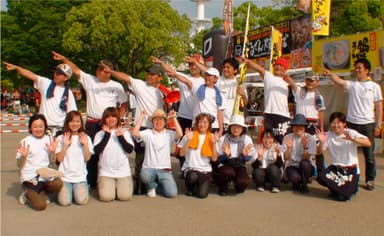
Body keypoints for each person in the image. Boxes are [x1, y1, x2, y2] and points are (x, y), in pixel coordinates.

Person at [52, 51, 128, 188]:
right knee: (90, 153)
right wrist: (64, 58)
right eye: (98, 68)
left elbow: (124, 103)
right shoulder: (90, 80)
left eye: (102, 69)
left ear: (109, 72)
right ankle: (90, 181)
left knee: (109, 150)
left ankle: (109, 179)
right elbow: (75, 70)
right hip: (92, 122)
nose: (98, 71)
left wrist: (118, 117)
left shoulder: (117, 86)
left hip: (109, 123)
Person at [103, 63, 165, 194]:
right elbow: (126, 77)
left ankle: (152, 183)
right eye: (148, 73)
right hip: (142, 127)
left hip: (156, 127)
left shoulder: (161, 92)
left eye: (152, 74)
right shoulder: (140, 85)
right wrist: (111, 71)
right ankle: (139, 184)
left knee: (154, 157)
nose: (149, 76)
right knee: (141, 157)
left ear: (160, 77)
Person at [323, 58, 383, 190]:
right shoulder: (352, 85)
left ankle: (370, 179)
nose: (357, 70)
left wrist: (378, 125)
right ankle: (349, 174)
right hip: (351, 123)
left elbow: (379, 107)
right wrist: (330, 74)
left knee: (369, 154)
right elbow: (340, 82)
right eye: (355, 68)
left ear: (367, 70)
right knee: (347, 150)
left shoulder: (374, 87)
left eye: (359, 68)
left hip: (367, 123)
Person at [3, 61, 77, 132]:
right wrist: (17, 68)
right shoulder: (46, 83)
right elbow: (31, 75)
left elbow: (72, 114)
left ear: (66, 78)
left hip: (60, 129)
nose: (55, 74)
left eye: (59, 73)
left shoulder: (68, 93)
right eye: (55, 71)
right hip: (43, 129)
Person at [316, 112, 371, 201]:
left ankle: (346, 188)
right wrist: (321, 142)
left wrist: (352, 139)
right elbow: (319, 152)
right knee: (321, 177)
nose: (336, 125)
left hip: (350, 169)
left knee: (343, 197)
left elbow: (368, 143)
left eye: (339, 123)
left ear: (344, 124)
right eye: (333, 123)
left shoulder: (350, 133)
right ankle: (339, 189)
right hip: (336, 169)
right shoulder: (328, 135)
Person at [16, 114, 63, 211]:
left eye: (41, 126)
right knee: (41, 206)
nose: (38, 129)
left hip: (44, 175)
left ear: (45, 127)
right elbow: (19, 165)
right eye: (35, 126)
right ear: (30, 127)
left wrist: (52, 152)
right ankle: (27, 192)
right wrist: (24, 156)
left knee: (58, 183)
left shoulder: (49, 139)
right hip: (30, 177)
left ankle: (40, 191)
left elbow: (52, 162)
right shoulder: (25, 141)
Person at [131, 109, 182, 198]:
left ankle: (158, 185)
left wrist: (174, 118)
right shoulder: (148, 133)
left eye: (161, 119)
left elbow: (180, 134)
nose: (158, 122)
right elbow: (135, 133)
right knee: (144, 176)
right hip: (149, 168)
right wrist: (141, 117)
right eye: (156, 120)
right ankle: (151, 186)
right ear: (152, 121)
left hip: (165, 169)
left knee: (172, 194)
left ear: (165, 122)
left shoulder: (169, 134)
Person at [240, 57, 291, 143]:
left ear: (285, 69)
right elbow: (259, 69)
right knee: (268, 140)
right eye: (277, 65)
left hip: (283, 116)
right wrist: (248, 61)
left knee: (283, 140)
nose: (278, 67)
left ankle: (282, 156)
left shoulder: (287, 83)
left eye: (281, 65)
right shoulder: (269, 76)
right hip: (269, 114)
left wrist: (287, 78)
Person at [286, 72, 326, 173]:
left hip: (313, 124)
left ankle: (320, 171)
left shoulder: (319, 96)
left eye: (312, 81)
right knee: (296, 145)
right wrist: (286, 74)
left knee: (316, 147)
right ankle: (296, 169)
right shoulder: (299, 91)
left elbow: (321, 112)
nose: (309, 82)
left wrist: (321, 128)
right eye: (308, 80)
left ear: (317, 82)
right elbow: (292, 83)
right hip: (299, 123)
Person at [93, 107, 135, 201]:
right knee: (106, 197)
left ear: (118, 118)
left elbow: (129, 150)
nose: (111, 119)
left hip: (122, 171)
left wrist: (121, 137)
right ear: (104, 119)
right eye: (108, 117)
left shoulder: (124, 132)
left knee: (125, 197)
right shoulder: (100, 134)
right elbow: (97, 151)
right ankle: (106, 185)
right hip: (106, 172)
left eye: (113, 116)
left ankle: (118, 186)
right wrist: (107, 135)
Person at [56, 110, 93, 206]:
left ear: (81, 123)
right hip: (64, 177)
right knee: (64, 202)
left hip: (80, 177)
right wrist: (65, 145)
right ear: (67, 123)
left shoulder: (86, 138)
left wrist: (85, 145)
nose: (75, 124)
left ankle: (82, 187)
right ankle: (65, 190)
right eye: (71, 121)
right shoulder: (61, 138)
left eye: (77, 121)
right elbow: (59, 159)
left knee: (81, 201)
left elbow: (87, 158)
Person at [178, 113, 219, 198]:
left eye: (205, 122)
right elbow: (181, 154)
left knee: (202, 195)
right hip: (191, 168)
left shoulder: (211, 137)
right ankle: (190, 187)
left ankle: (199, 184)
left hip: (205, 170)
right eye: (200, 122)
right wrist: (188, 140)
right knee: (192, 177)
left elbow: (214, 159)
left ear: (209, 125)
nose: (202, 124)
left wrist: (214, 144)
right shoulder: (190, 135)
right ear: (196, 123)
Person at [216, 115, 254, 196]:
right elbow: (217, 158)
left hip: (239, 165)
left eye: (239, 127)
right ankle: (223, 187)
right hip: (225, 164)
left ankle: (237, 184)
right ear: (230, 127)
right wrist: (226, 155)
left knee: (243, 182)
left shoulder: (247, 139)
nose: (236, 129)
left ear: (243, 128)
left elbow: (249, 157)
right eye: (234, 126)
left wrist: (244, 156)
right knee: (228, 172)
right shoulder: (223, 139)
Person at [283, 113, 316, 192]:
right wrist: (289, 148)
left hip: (306, 165)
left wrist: (305, 147)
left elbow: (307, 158)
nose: (298, 128)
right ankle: (298, 181)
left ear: (304, 127)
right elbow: (286, 158)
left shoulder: (310, 138)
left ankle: (304, 183)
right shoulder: (287, 137)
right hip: (292, 166)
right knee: (295, 178)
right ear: (292, 127)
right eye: (295, 126)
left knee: (305, 164)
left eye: (301, 126)